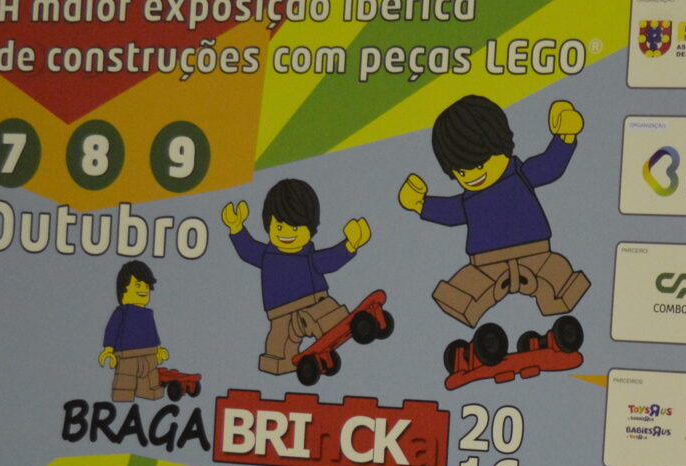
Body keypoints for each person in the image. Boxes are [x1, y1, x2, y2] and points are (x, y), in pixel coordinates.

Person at [403, 95, 591, 328]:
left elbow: (549, 166)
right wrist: (420, 204)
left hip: (535, 253)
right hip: (485, 264)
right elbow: (451, 213)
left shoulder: (519, 175)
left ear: (502, 146)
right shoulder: (469, 199)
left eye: (479, 165)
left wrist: (565, 137)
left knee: (561, 281)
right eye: (461, 172)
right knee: (459, 294)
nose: (471, 176)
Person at [222, 177, 371, 375]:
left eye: (294, 228)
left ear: (310, 229)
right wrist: (236, 228)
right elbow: (247, 250)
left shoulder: (307, 257)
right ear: (269, 226)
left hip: (312, 303)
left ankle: (345, 325)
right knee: (278, 346)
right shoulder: (267, 256)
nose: (286, 234)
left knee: (326, 317)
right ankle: (283, 364)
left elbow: (329, 260)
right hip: (280, 313)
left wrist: (349, 245)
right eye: (279, 227)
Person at [98, 261, 169, 401]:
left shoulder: (148, 314)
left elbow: (153, 333)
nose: (143, 289)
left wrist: (158, 350)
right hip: (127, 355)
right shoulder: (122, 312)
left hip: (149, 354)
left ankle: (149, 392)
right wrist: (108, 350)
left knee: (150, 381)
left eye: (146, 286)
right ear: (124, 289)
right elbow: (112, 330)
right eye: (137, 285)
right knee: (125, 381)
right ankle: (122, 399)